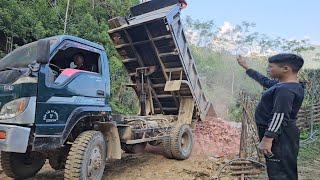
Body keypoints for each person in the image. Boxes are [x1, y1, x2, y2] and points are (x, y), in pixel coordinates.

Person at [237, 54, 304, 180]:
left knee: (279, 173)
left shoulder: (285, 90)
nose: (267, 69)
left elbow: (280, 116)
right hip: (282, 135)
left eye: (270, 67)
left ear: (285, 69)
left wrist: (268, 139)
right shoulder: (286, 85)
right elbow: (264, 81)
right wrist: (246, 67)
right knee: (284, 169)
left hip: (279, 137)